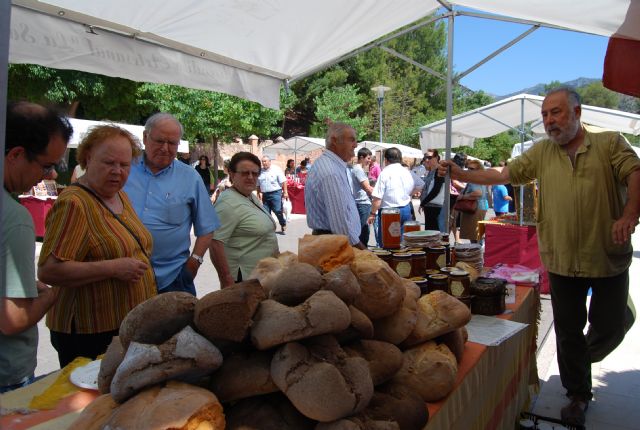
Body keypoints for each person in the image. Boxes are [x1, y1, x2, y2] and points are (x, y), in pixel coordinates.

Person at [438, 87, 640, 427]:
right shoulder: (542, 152)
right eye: (545, 115)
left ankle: (584, 353)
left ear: (576, 112)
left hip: (605, 256)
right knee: (568, 329)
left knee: (611, 325)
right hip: (560, 258)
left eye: (556, 113)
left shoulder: (609, 144)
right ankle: (577, 393)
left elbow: (635, 173)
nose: (549, 121)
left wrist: (629, 215)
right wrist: (463, 175)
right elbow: (503, 174)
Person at [38, 125, 156, 368]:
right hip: (89, 332)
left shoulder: (119, 195)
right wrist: (113, 268)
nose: (117, 172)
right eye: (109, 163)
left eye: (124, 165)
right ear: (88, 158)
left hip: (121, 324)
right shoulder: (74, 203)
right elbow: (50, 271)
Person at [1, 102, 71, 392]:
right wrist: (48, 297)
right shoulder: (14, 218)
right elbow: (12, 319)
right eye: (46, 165)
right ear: (16, 154)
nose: (51, 176)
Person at [124, 113, 226, 296]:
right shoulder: (123, 169)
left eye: (172, 143)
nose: (165, 148)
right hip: (123, 279)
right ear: (145, 138)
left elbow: (207, 226)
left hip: (173, 278)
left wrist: (194, 262)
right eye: (160, 141)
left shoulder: (190, 177)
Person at [210, 152, 279, 286]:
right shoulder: (227, 203)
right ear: (232, 174)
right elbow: (215, 243)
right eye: (244, 173)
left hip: (261, 276)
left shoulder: (249, 196)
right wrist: (226, 279)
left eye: (255, 173)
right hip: (244, 280)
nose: (250, 177)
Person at [305, 122, 366, 249]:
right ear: (334, 140)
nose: (355, 145)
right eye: (351, 140)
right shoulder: (330, 172)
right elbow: (341, 228)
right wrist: (363, 251)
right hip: (333, 246)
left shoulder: (332, 166)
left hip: (332, 242)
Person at [368, 147, 424, 246]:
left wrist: (372, 213)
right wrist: (408, 194)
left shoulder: (385, 173)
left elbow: (377, 198)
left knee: (388, 244)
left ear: (386, 160)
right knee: (403, 243)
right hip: (406, 209)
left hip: (389, 212)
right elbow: (421, 184)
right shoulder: (407, 172)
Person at [456, 159, 489, 243]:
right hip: (480, 206)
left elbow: (478, 193)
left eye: (472, 169)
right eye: (468, 168)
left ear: (478, 170)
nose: (469, 170)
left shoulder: (475, 179)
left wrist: (463, 196)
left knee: (475, 234)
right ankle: (478, 251)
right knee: (476, 234)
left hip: (476, 207)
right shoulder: (481, 178)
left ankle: (478, 252)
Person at [257, 155, 288, 234]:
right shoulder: (260, 171)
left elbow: (283, 181)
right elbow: (258, 184)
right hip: (265, 194)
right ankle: (270, 228)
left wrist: (285, 192)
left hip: (276, 193)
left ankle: (282, 223)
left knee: (277, 210)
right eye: (262, 161)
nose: (264, 163)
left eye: (265, 161)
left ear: (270, 162)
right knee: (266, 213)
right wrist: (258, 193)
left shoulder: (276, 169)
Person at [351, 147, 374, 246]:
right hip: (362, 204)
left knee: (361, 231)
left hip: (360, 203)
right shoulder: (358, 169)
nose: (370, 161)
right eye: (368, 158)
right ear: (361, 157)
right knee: (364, 232)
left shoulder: (356, 169)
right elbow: (367, 188)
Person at [419, 149, 444, 230]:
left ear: (436, 158)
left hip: (436, 207)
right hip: (430, 206)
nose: (426, 160)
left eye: (429, 157)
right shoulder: (431, 171)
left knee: (434, 234)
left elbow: (436, 190)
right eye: (425, 157)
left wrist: (423, 202)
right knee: (430, 234)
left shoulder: (439, 170)